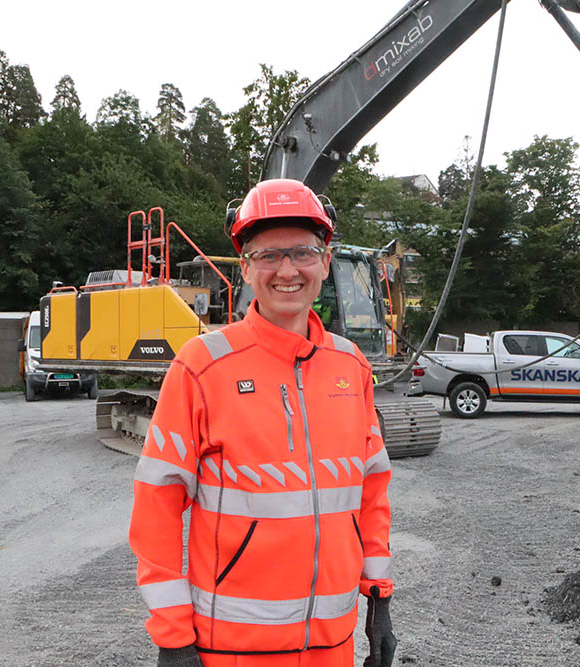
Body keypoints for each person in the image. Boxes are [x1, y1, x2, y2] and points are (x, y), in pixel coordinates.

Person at [129, 178, 397, 667]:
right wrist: (172, 637)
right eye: (268, 256)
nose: (287, 270)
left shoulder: (351, 366)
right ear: (246, 269)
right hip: (232, 650)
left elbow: (371, 490)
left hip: (332, 647)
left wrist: (378, 598)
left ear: (325, 260)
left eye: (302, 252)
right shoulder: (201, 366)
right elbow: (156, 510)